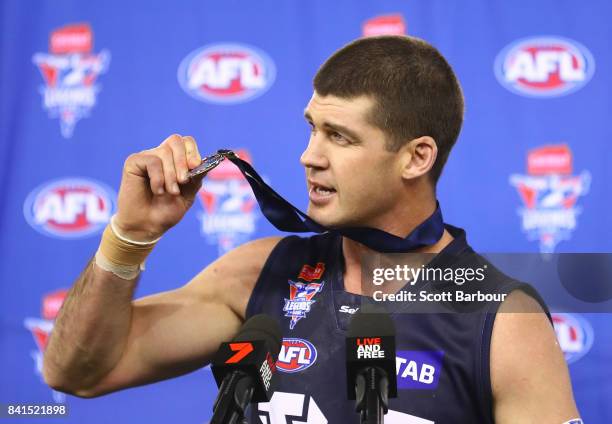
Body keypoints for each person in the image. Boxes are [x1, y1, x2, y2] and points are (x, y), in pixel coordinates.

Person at [43, 36, 581, 423]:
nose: (308, 157)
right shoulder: (257, 274)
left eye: (340, 138)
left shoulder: (503, 320)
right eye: (311, 129)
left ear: (417, 157)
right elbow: (78, 372)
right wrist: (130, 235)